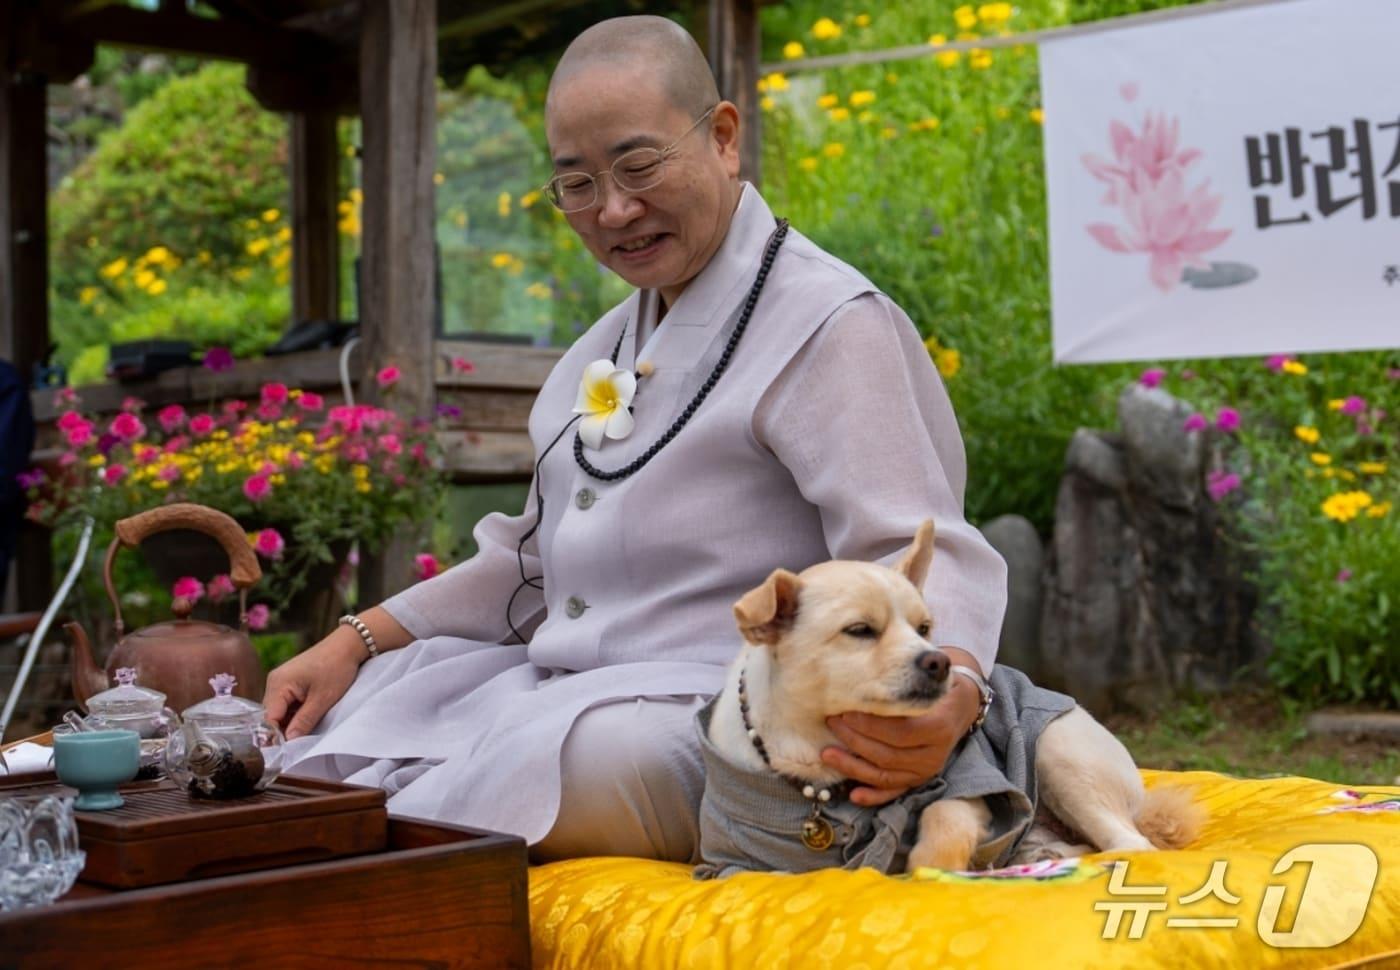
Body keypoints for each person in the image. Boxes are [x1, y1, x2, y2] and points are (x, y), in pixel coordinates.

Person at [266, 15, 1007, 864]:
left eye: (639, 165)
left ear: (725, 138)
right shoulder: (600, 354)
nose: (614, 209)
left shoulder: (830, 324)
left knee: (590, 760)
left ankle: (375, 873)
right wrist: (349, 640)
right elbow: (530, 566)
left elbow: (917, 543)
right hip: (563, 686)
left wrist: (958, 691)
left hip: (723, 711)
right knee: (360, 706)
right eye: (576, 184)